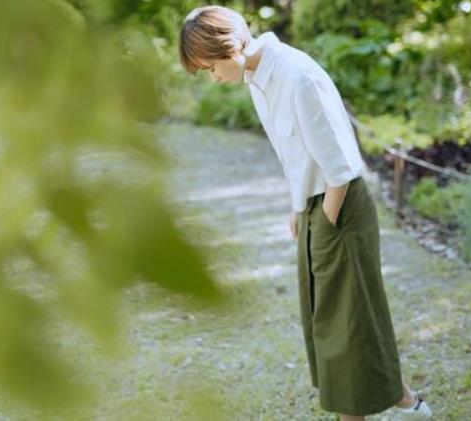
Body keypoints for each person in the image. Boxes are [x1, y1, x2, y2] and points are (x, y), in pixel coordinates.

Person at [178, 5, 433, 421]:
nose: (213, 77)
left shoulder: (295, 77)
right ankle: (409, 405)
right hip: (315, 205)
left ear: (230, 47)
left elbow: (339, 167)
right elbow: (294, 155)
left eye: (209, 67)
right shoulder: (257, 79)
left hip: (341, 204)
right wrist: (298, 208)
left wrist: (328, 219)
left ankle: (379, 410)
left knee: (346, 324)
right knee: (334, 320)